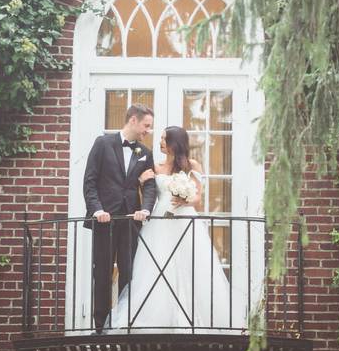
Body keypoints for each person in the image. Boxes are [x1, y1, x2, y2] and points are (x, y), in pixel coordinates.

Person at [105, 125, 248, 333]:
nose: (160, 142)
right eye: (161, 138)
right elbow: (148, 196)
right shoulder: (156, 166)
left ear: (176, 143)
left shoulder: (192, 165)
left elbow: (198, 197)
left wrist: (186, 197)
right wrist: (142, 183)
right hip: (159, 222)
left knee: (190, 266)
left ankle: (194, 319)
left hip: (184, 220)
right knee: (157, 266)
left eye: (164, 139)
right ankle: (155, 319)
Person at [82, 104, 157, 333]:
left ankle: (126, 323)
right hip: (105, 220)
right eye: (146, 125)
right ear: (133, 120)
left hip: (130, 222)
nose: (148, 131)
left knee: (129, 272)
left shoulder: (145, 153)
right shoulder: (103, 144)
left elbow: (151, 186)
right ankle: (99, 327)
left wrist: (145, 209)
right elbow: (90, 181)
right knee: (102, 272)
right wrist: (97, 210)